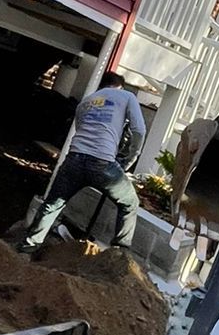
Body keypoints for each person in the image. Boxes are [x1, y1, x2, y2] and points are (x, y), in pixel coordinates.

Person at [20, 71, 147, 255]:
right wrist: (130, 157)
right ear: (119, 86)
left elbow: (80, 130)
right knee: (130, 203)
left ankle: (28, 246)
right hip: (102, 163)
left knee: (53, 204)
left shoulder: (86, 101)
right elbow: (139, 130)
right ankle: (119, 252)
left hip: (74, 160)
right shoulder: (126, 96)